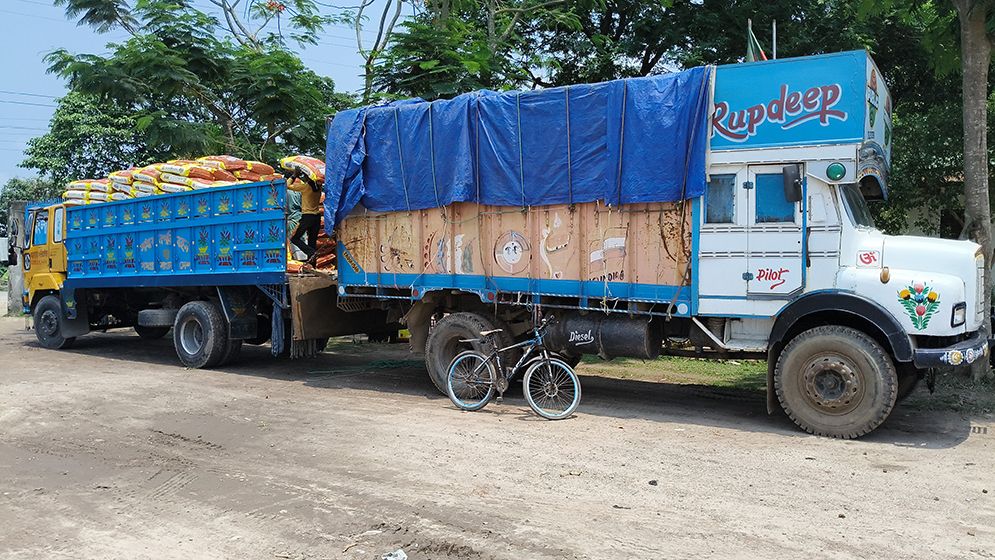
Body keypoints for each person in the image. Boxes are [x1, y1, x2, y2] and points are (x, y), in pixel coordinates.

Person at [287, 170, 322, 263]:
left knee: (294, 238)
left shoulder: (305, 187)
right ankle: (312, 265)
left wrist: (294, 175)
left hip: (307, 217)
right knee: (312, 241)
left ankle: (311, 252)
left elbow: (287, 185)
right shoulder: (319, 187)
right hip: (316, 217)